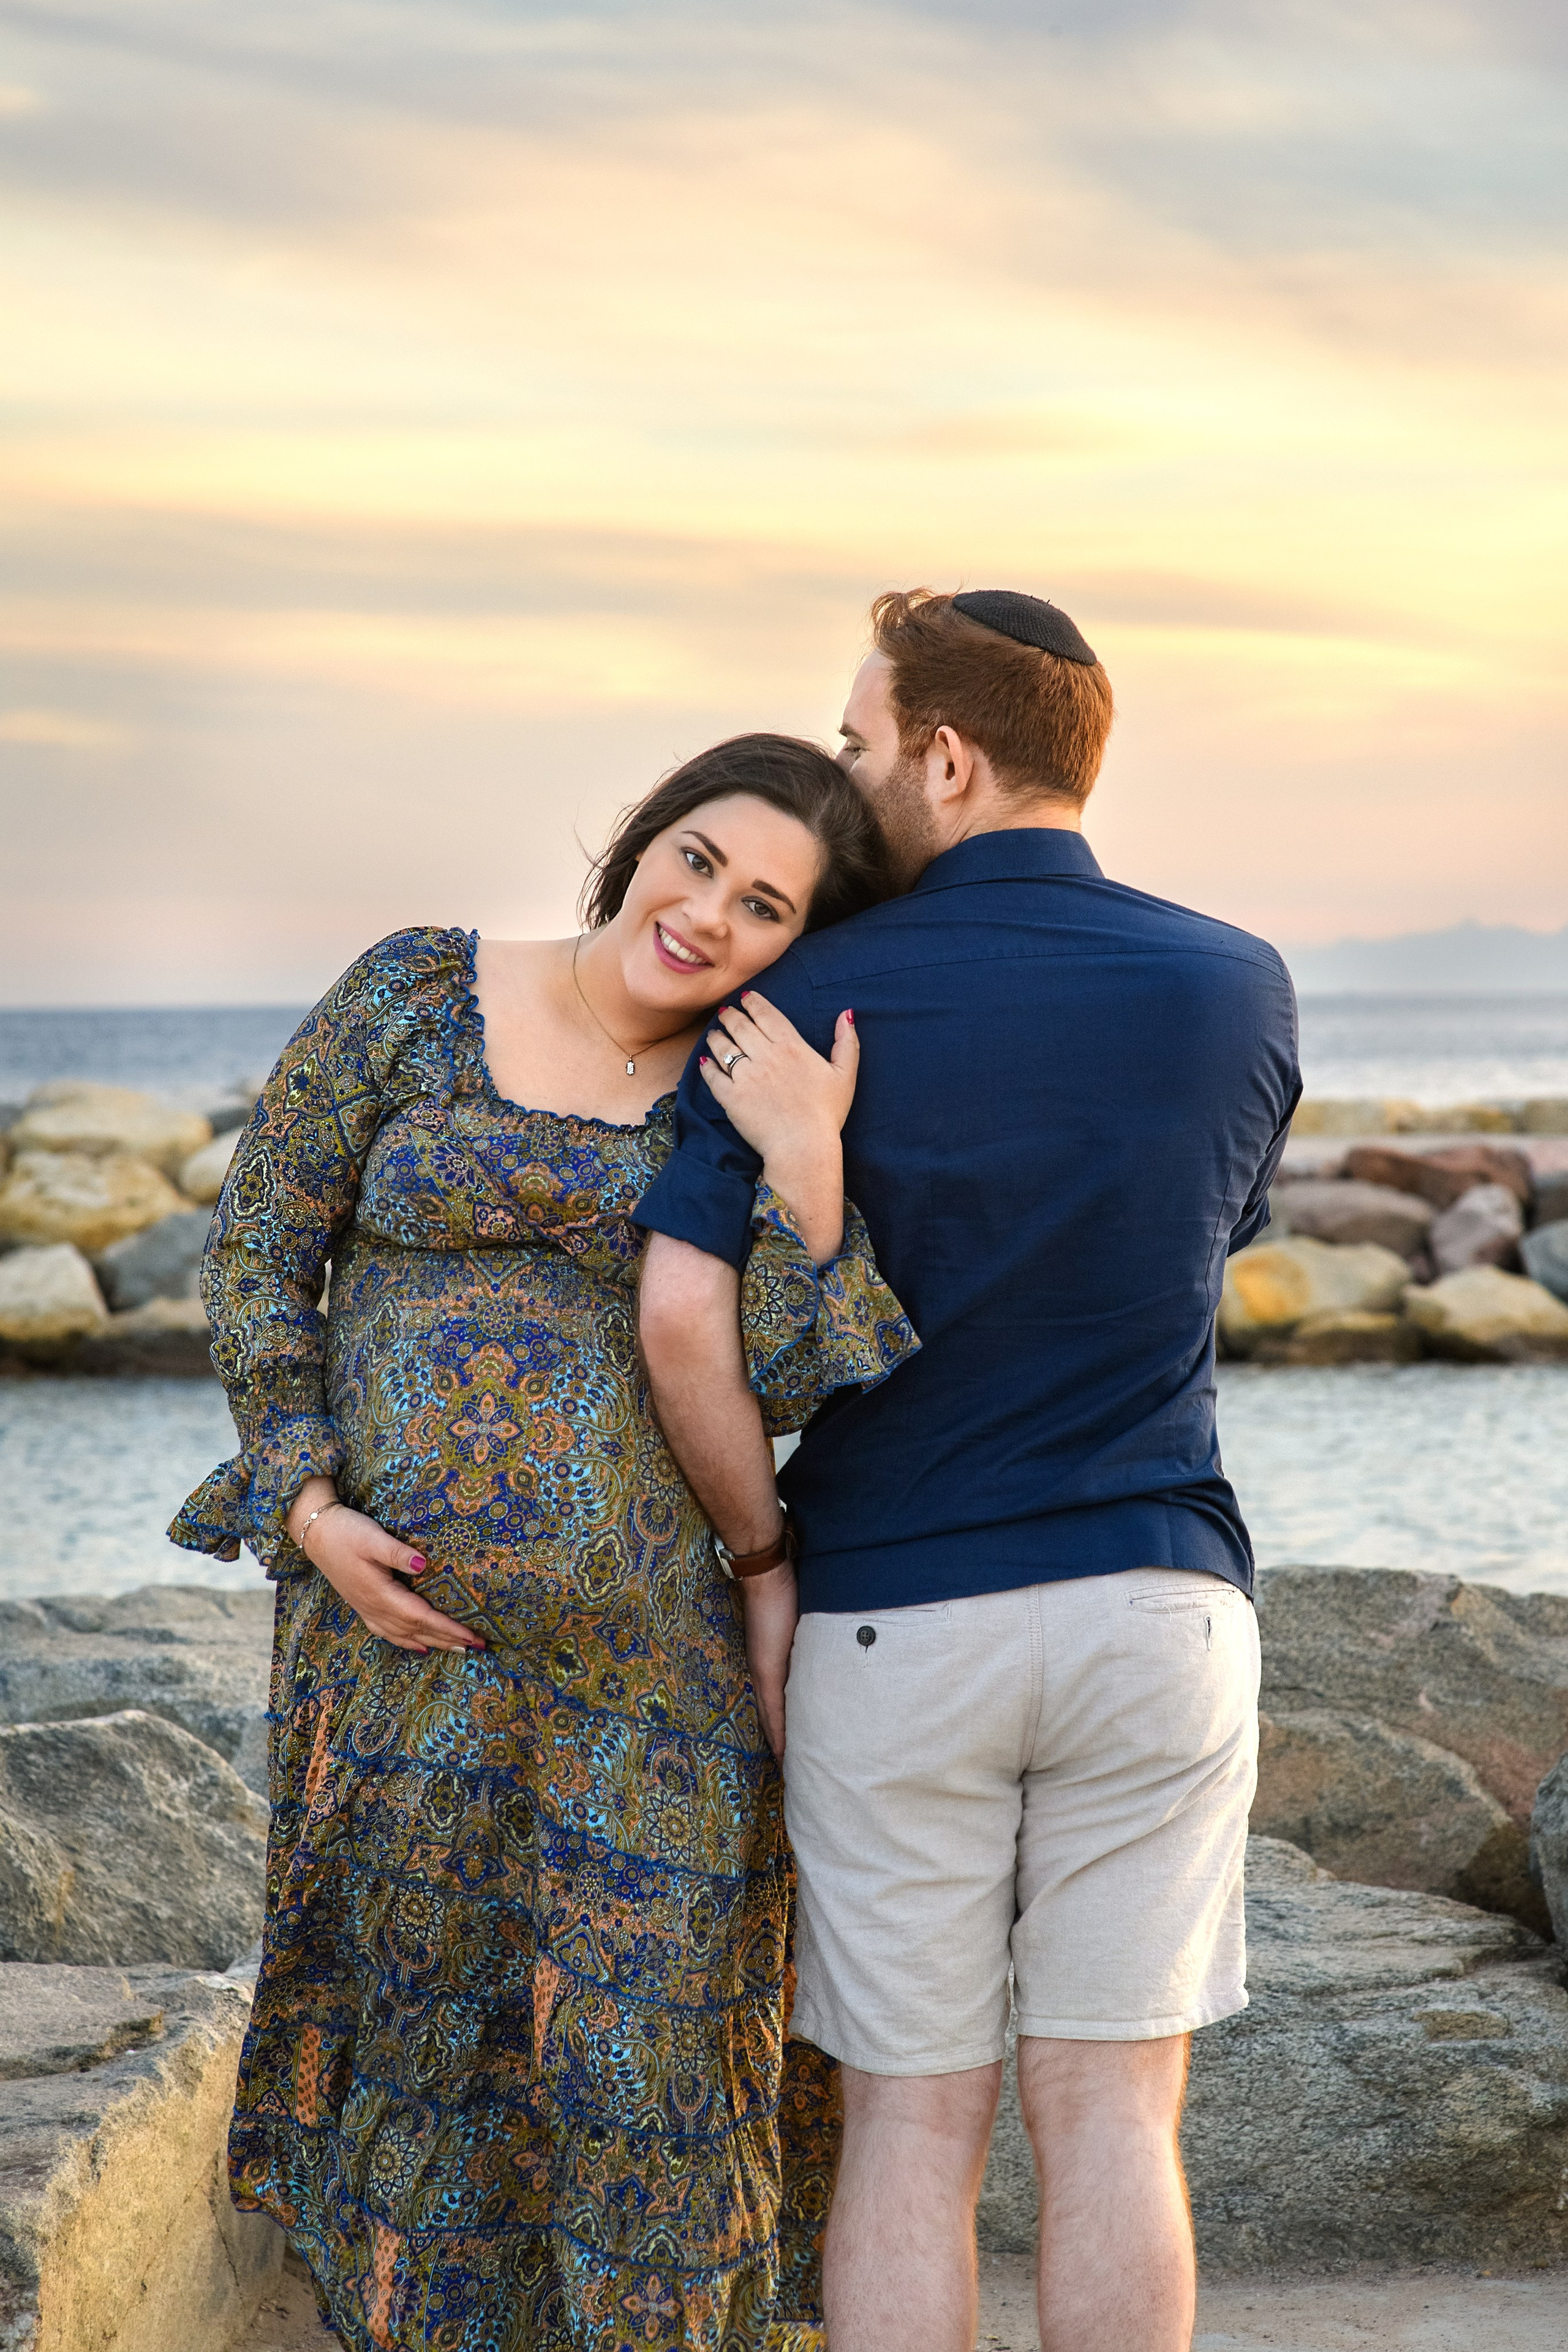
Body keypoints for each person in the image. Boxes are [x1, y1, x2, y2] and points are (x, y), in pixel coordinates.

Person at [169, 734, 920, 2352]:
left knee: (648, 2097)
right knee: (427, 2087)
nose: (714, 913)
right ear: (643, 839)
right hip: (398, 1673)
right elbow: (261, 1251)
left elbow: (794, 1375)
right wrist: (305, 1506)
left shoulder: (739, 1099)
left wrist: (806, 1167)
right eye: (701, 859)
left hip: (652, 1691)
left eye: (771, 906)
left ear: (802, 945)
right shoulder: (415, 992)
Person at [635, 589, 1302, 2352]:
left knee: (911, 2133)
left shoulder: (805, 993)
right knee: (1114, 2121)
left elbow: (682, 1315)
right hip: (1157, 1605)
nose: (852, 782)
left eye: (861, 745)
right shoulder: (1238, 983)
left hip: (891, 1622)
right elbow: (1206, 1240)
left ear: (948, 752)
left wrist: (759, 1549)